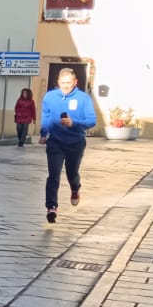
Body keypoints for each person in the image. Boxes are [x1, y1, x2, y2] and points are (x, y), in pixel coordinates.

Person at [38, 68, 97, 224]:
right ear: (58, 82)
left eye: (68, 83)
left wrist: (73, 123)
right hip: (55, 142)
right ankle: (51, 207)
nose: (65, 86)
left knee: (72, 173)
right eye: (63, 83)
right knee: (53, 175)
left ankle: (75, 188)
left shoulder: (83, 98)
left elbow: (91, 121)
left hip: (75, 142)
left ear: (75, 82)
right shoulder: (50, 97)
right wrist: (43, 133)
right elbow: (46, 116)